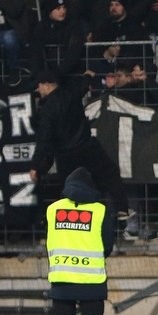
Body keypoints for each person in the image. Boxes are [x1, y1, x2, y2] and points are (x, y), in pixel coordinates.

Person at [47, 166, 118, 315]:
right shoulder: (101, 210)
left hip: (62, 279)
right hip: (91, 281)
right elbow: (107, 246)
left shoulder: (53, 209)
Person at [30, 69, 129, 216]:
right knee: (110, 174)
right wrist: (88, 75)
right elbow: (82, 86)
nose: (38, 90)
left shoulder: (46, 110)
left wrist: (35, 165)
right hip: (87, 148)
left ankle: (70, 220)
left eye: (39, 86)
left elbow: (43, 139)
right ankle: (121, 208)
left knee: (68, 190)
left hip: (65, 156)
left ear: (47, 85)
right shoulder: (70, 94)